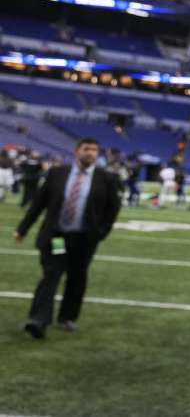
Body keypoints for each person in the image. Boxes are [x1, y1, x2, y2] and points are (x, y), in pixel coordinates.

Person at [12, 138, 122, 339]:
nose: (91, 153)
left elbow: (113, 208)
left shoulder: (106, 178)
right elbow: (39, 203)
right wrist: (23, 228)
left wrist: (101, 233)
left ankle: (67, 317)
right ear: (77, 151)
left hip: (84, 239)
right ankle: (38, 320)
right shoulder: (57, 174)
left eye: (94, 150)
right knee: (51, 273)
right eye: (86, 149)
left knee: (77, 277)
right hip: (58, 237)